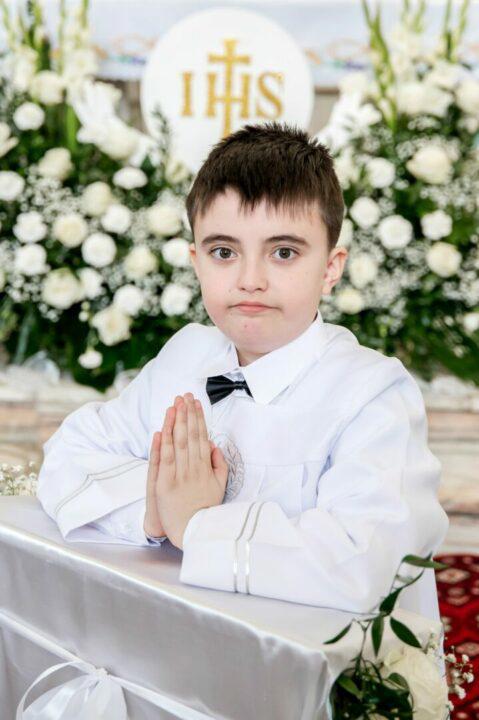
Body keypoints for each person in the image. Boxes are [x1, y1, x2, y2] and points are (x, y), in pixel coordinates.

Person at [37, 121, 449, 620]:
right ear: (196, 262)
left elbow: (366, 560)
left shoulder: (373, 392)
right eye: (224, 252)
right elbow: (70, 452)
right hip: (184, 630)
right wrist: (154, 512)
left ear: (331, 268)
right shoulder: (187, 354)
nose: (250, 280)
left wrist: (197, 525)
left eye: (283, 252)